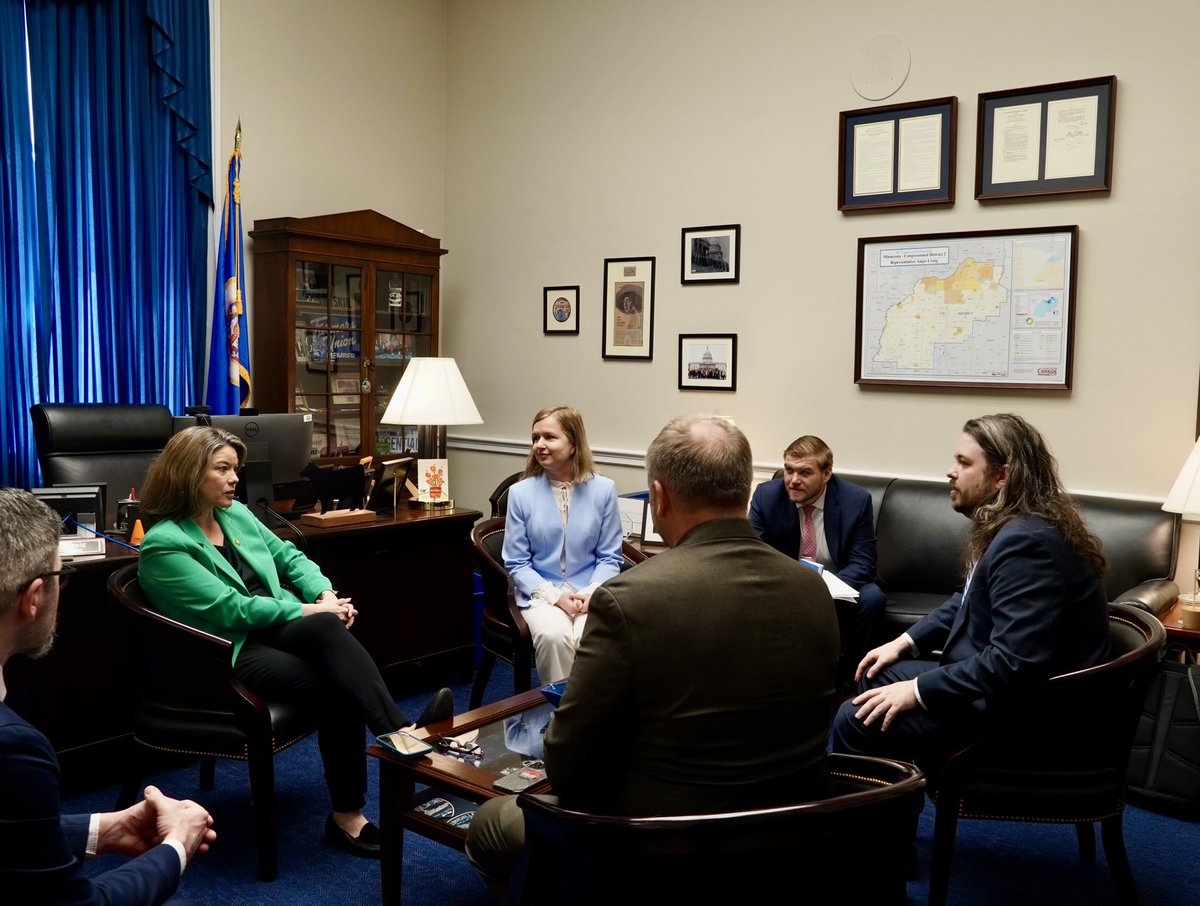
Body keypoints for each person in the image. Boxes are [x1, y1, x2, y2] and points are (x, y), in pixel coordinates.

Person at [466, 415, 840, 898]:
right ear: (745, 490)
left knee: (493, 822)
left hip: (659, 842)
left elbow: (569, 767)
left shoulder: (629, 601)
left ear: (659, 498)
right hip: (792, 832)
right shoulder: (813, 590)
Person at [137, 426, 453, 859]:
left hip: (272, 629)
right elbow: (234, 610)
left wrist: (323, 595)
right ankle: (360, 800)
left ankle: (395, 739)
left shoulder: (236, 515)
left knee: (327, 628)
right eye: (223, 469)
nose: (234, 479)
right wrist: (313, 612)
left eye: (237, 469)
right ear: (189, 474)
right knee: (337, 679)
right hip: (224, 654)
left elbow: (291, 558)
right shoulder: (164, 545)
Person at [831, 414, 1110, 855]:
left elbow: (1014, 662)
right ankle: (892, 841)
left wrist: (918, 690)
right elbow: (965, 599)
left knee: (854, 717)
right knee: (871, 677)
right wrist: (904, 643)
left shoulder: (1026, 544)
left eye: (963, 463)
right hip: (1010, 692)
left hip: (1028, 715)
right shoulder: (1017, 526)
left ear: (1001, 476)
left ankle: (863, 860)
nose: (950, 471)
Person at [0, 488, 216, 904]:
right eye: (61, 576)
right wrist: (177, 846)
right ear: (33, 598)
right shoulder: (14, 748)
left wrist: (104, 830)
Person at [501, 405, 624, 684]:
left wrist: (591, 592)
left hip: (589, 591)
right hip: (541, 593)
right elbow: (517, 563)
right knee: (554, 636)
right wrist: (555, 597)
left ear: (573, 444)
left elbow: (610, 557)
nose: (539, 445)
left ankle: (595, 716)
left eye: (549, 437)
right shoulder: (520, 494)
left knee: (591, 635)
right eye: (535, 438)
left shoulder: (603, 489)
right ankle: (560, 718)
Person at [750, 434, 887, 670]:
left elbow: (864, 562)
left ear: (826, 474)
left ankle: (856, 678)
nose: (793, 480)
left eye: (804, 473)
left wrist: (822, 590)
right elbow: (754, 554)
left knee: (873, 598)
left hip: (840, 579)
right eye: (788, 470)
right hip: (787, 581)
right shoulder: (766, 497)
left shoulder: (855, 500)